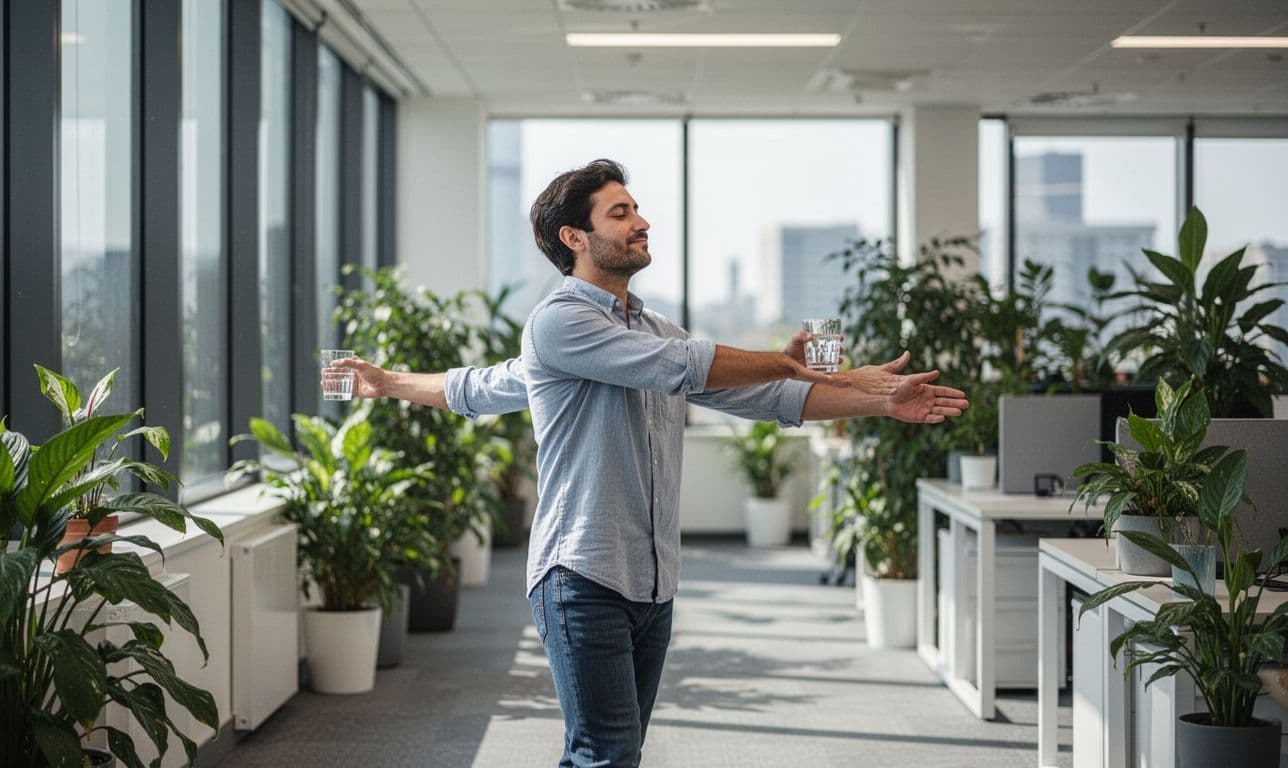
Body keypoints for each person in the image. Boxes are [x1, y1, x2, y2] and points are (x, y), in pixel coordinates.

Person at [332, 159, 968, 767]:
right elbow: (696, 367)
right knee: (605, 754)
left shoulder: (653, 328)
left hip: (652, 581)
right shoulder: (558, 323)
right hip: (581, 575)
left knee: (613, 755)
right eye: (620, 213)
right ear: (574, 237)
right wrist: (787, 359)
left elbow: (480, 386)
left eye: (637, 209)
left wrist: (877, 400)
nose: (641, 222)